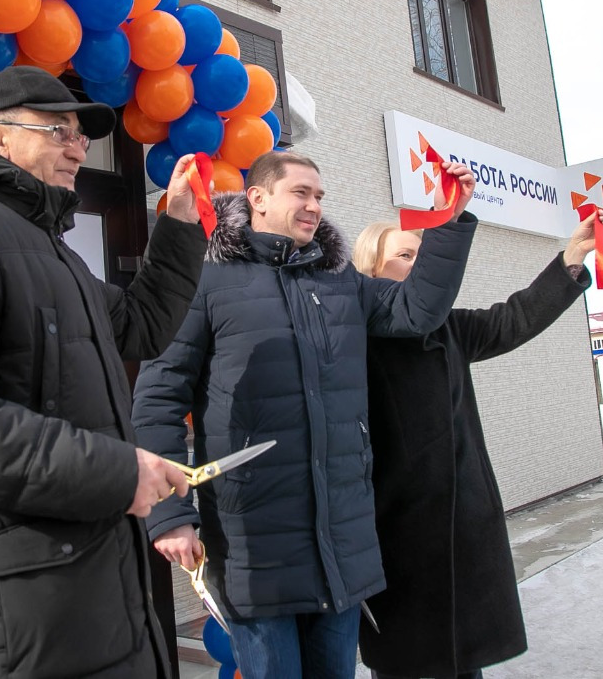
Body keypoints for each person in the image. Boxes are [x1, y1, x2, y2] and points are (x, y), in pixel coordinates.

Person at [0, 66, 209, 679]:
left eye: (81, 136)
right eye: (59, 130)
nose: (79, 146)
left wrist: (180, 225)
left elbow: (140, 324)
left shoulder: (49, 250)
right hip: (23, 612)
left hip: (86, 588)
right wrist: (117, 471)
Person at [131, 150, 478, 678]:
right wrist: (171, 515)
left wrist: (446, 223)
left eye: (319, 196)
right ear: (258, 198)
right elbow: (158, 394)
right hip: (254, 540)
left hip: (340, 537)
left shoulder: (341, 283)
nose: (314, 205)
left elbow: (417, 310)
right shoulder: (208, 280)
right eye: (301, 193)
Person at [351, 210, 603, 679]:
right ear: (371, 269)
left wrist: (572, 257)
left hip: (463, 526)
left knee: (463, 657)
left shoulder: (449, 327)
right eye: (407, 256)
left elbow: (517, 317)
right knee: (407, 661)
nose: (422, 265)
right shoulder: (353, 336)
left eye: (424, 255)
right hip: (392, 529)